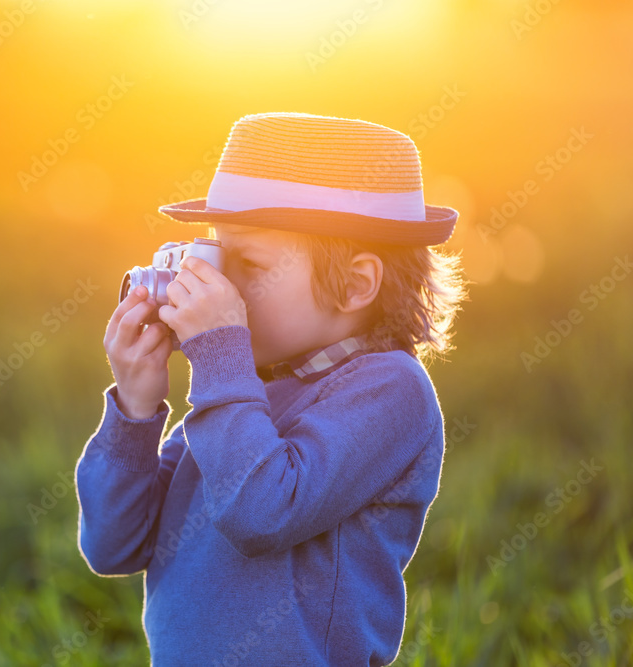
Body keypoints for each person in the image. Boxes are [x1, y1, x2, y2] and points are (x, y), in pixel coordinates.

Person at [74, 112, 466, 665]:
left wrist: (219, 358)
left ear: (355, 285)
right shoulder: (240, 390)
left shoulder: (390, 391)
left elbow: (262, 512)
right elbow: (114, 545)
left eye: (248, 264)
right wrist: (135, 412)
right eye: (215, 254)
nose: (218, 284)